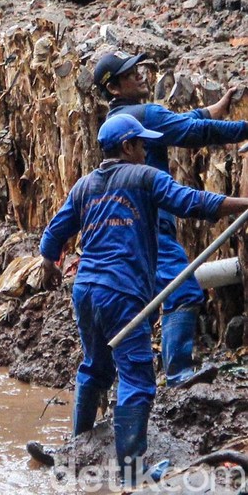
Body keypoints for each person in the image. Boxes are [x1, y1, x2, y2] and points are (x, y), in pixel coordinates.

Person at [39, 113, 248, 485]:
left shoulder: (85, 186)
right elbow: (192, 202)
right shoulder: (145, 177)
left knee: (94, 367)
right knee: (136, 378)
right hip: (121, 292)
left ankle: (75, 452)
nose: (146, 150)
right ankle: (132, 474)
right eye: (142, 144)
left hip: (86, 290)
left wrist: (48, 263)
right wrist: (243, 202)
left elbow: (55, 233)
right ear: (127, 147)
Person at [94, 50, 248, 388]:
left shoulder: (120, 121)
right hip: (151, 228)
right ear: (114, 88)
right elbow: (193, 132)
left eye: (138, 69)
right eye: (130, 74)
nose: (140, 75)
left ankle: (124, 378)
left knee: (146, 301)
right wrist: (243, 128)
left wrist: (212, 109)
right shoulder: (143, 116)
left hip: (129, 228)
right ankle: (178, 374)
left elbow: (178, 123)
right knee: (182, 290)